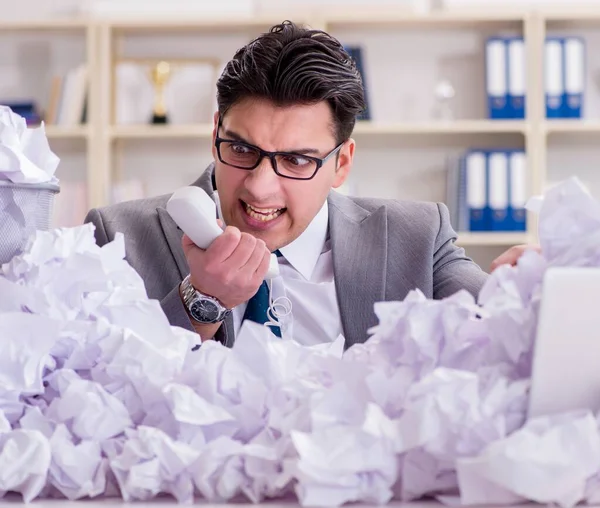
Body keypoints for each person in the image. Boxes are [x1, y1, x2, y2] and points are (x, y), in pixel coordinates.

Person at [85, 20, 527, 350]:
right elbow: (90, 382)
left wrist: (527, 298)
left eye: (296, 160)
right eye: (240, 149)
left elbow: (498, 332)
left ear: (342, 164)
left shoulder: (419, 236)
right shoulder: (117, 236)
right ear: (215, 131)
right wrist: (201, 300)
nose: (259, 187)